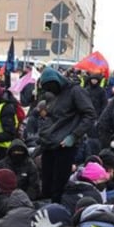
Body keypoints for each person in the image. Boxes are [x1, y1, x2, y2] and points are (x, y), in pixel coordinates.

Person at [36, 68, 97, 204]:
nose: (50, 89)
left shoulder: (75, 91)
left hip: (65, 144)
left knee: (59, 185)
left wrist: (74, 136)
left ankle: (56, 212)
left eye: (50, 86)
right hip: (50, 143)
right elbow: (53, 118)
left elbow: (90, 115)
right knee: (47, 184)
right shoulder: (54, 94)